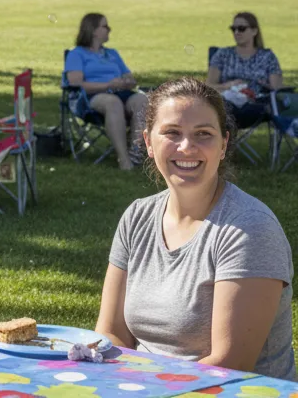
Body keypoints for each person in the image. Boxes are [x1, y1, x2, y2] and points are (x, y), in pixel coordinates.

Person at [96, 77, 295, 379]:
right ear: (149, 142)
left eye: (203, 134)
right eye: (172, 133)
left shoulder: (249, 229)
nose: (187, 147)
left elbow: (230, 364)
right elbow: (112, 335)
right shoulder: (137, 217)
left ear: (224, 144)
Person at [66, 13, 147, 170]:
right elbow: (76, 83)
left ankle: (136, 153)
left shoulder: (112, 53)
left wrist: (127, 82)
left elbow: (129, 77)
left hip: (120, 92)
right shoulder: (76, 54)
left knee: (142, 100)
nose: (109, 29)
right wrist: (107, 84)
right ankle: (123, 159)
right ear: (93, 30)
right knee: (113, 103)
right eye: (105, 26)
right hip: (89, 97)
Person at [206, 12, 285, 124]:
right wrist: (227, 86)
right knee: (225, 107)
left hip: (256, 103)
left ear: (254, 31)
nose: (237, 32)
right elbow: (208, 86)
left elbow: (277, 89)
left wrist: (262, 85)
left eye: (241, 28)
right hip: (228, 101)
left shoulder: (267, 57)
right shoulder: (222, 54)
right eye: (234, 29)